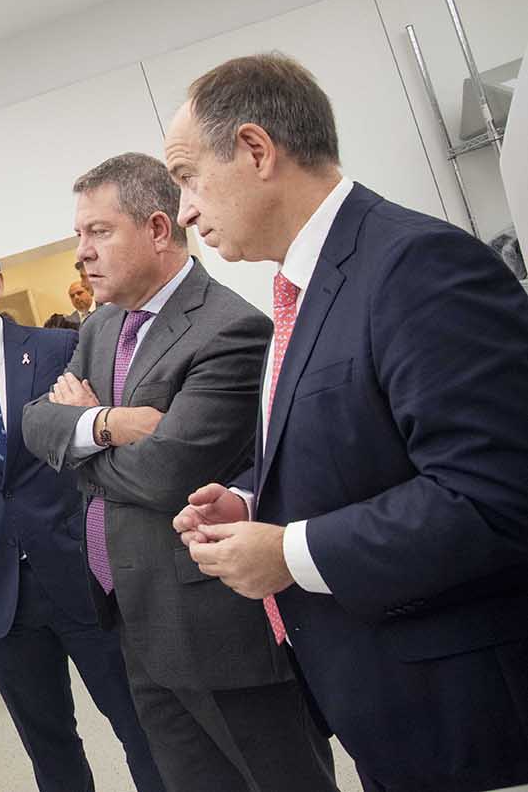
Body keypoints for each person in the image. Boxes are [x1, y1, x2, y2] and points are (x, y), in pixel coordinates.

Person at [165, 53, 528, 792]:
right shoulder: (305, 287)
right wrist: (251, 501)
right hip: (390, 704)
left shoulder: (415, 265)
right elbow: (362, 442)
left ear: (255, 150)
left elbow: (494, 495)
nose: (185, 212)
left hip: (473, 722)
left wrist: (290, 553)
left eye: (187, 177)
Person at [21, 154, 336, 792]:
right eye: (79, 234)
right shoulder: (101, 325)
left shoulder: (230, 329)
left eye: (98, 231)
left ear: (159, 229)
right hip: (133, 617)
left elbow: (166, 475)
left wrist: (79, 445)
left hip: (214, 627)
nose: (82, 253)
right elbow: (35, 424)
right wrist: (109, 424)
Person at [0, 230, 164, 792]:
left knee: (142, 727)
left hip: (85, 577)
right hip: (1, 598)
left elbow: (97, 443)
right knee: (48, 749)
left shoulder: (59, 348)